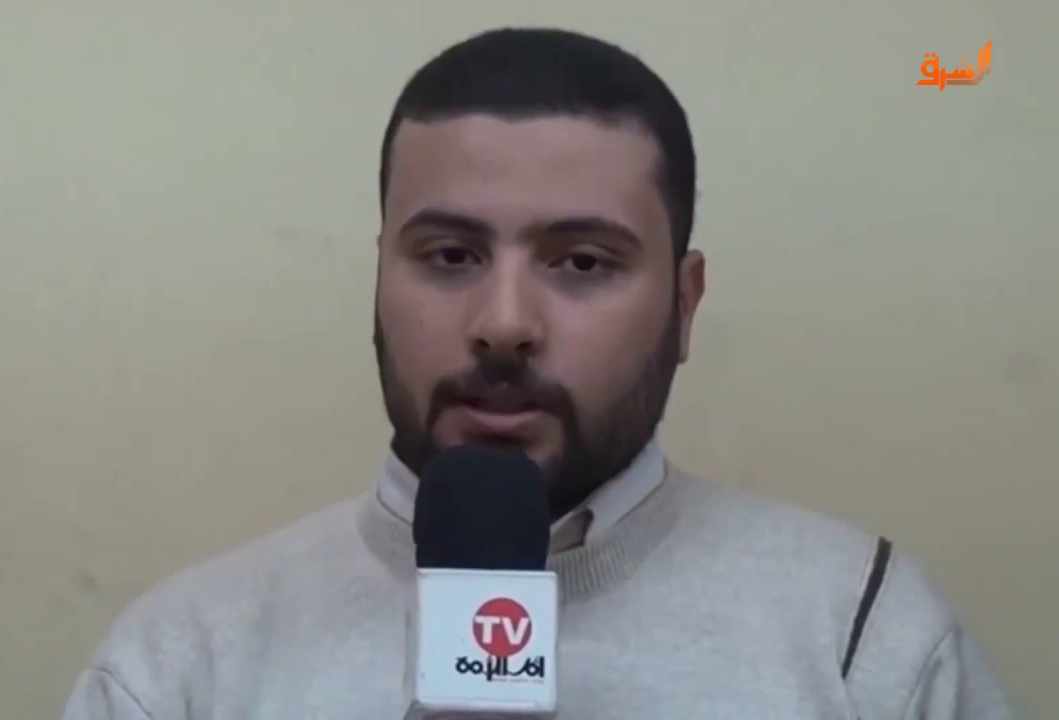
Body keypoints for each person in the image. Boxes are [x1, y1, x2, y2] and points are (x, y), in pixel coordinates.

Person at [61, 27, 1015, 719]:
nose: (505, 325)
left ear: (684, 304)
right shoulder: (184, 663)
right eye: (450, 256)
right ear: (379, 280)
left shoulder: (866, 638)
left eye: (582, 263)